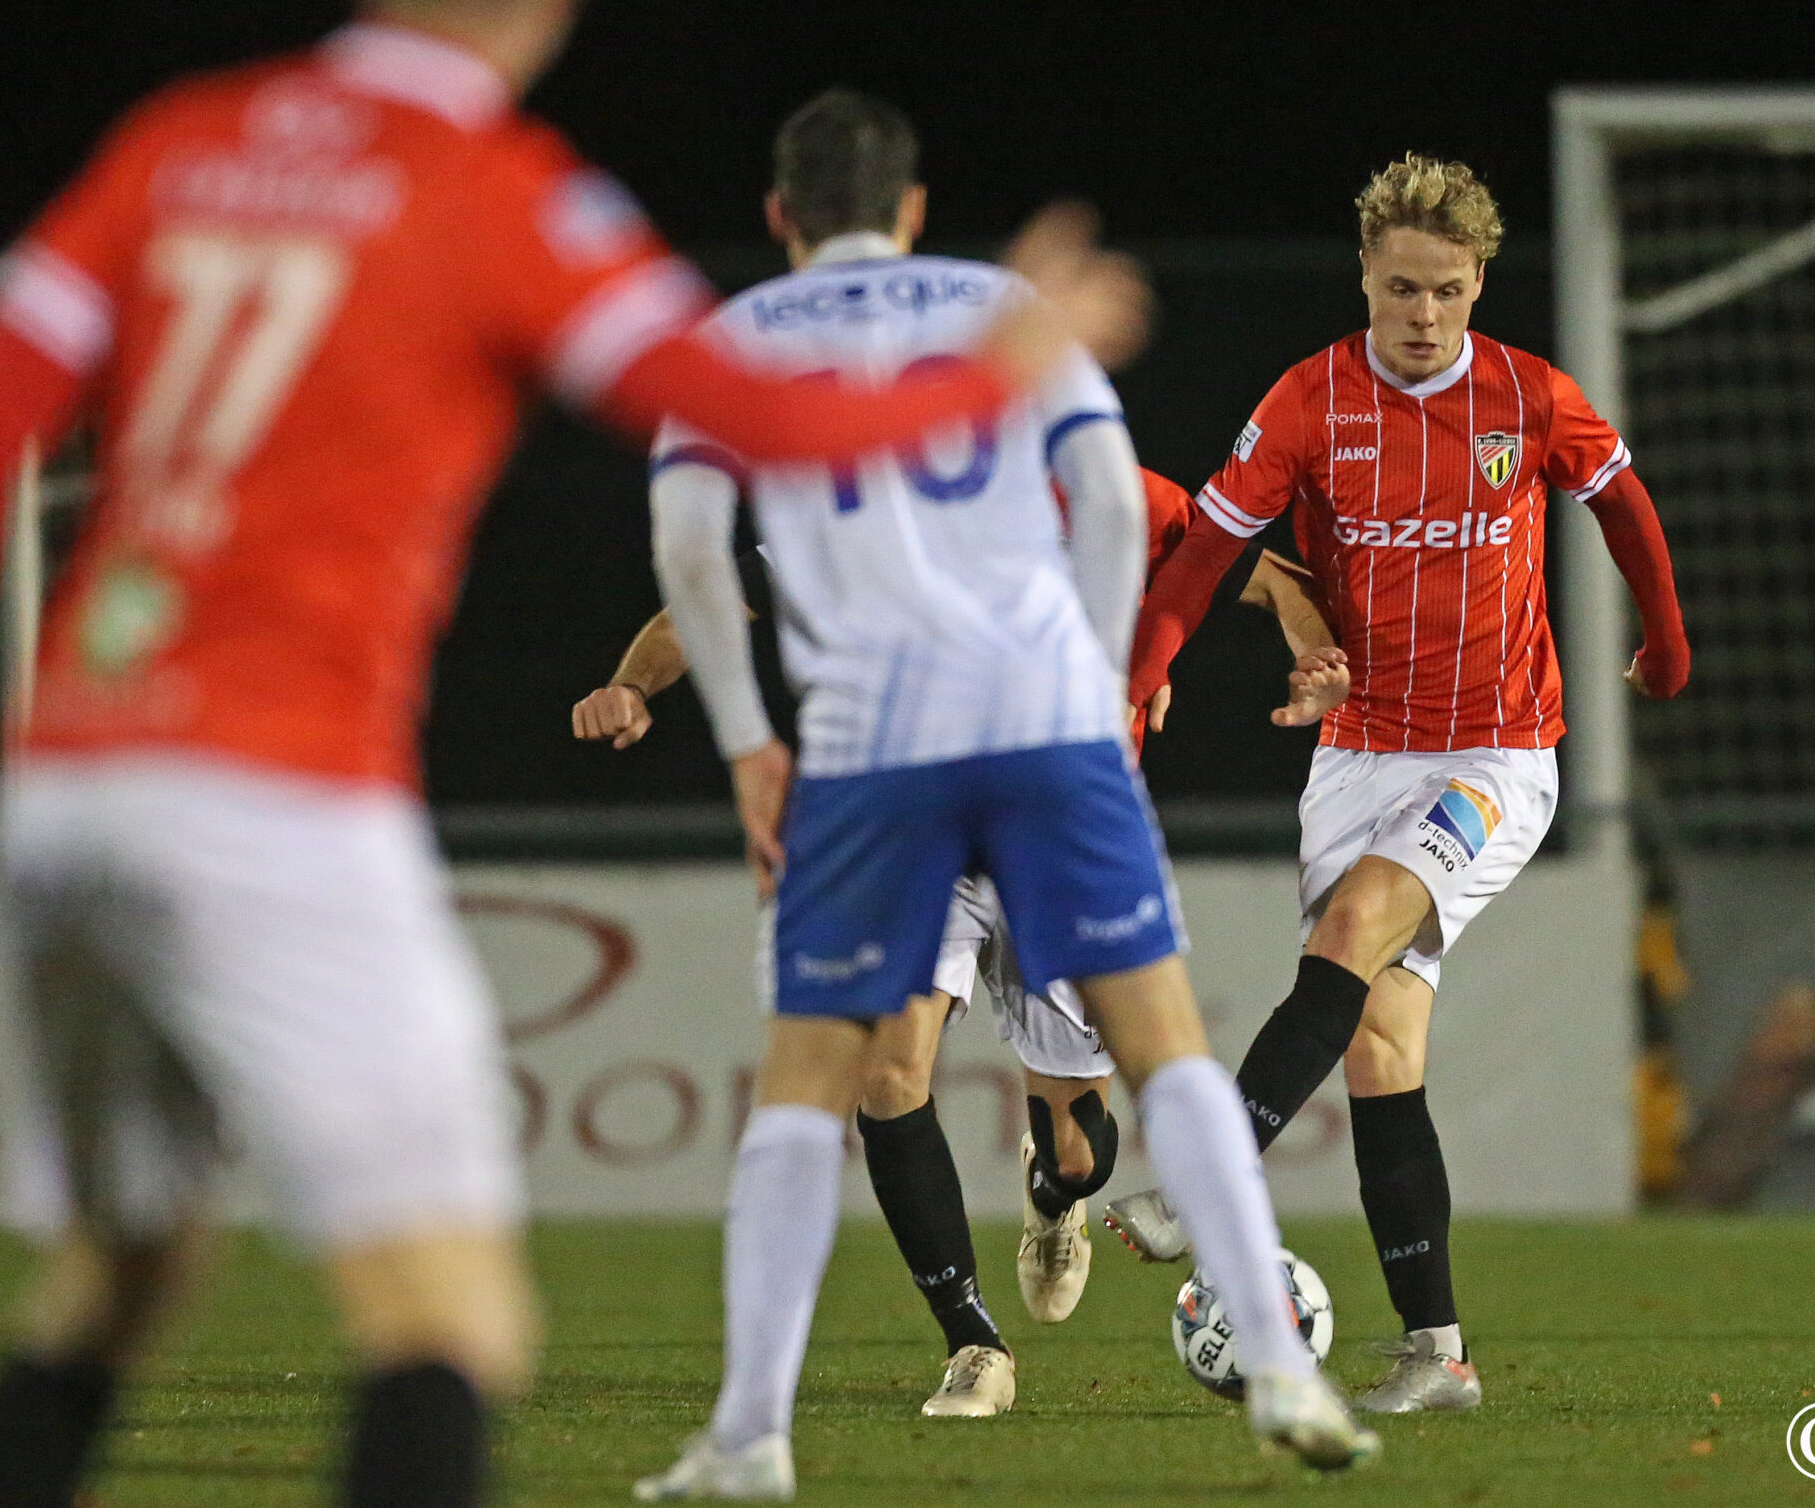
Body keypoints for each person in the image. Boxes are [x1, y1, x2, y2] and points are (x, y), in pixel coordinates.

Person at [0, 0, 1146, 1506]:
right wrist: (1004, 359)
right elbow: (766, 426)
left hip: (71, 790)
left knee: (116, 1276)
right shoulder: (497, 193)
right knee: (445, 1311)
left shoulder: (175, 144)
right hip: (280, 792)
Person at [628, 89, 1379, 1498]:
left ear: (782, 216)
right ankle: (1279, 1359)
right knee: (1163, 1043)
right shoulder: (1001, 304)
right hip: (1043, 727)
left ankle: (747, 1437)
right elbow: (1108, 498)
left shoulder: (732, 341)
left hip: (872, 746)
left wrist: (744, 737)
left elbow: (690, 551)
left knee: (809, 1086)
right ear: (913, 207)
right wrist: (1098, 680)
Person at [1106, 153, 1692, 1415]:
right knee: (1379, 1048)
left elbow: (1624, 501)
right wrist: (1142, 665)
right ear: (1364, 281)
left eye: (1445, 289)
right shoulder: (1311, 401)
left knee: (1352, 926)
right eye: (1398, 289)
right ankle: (1438, 1353)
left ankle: (1206, 1187)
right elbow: (1208, 548)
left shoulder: (1527, 396)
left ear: (1478, 283)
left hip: (1495, 752)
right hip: (1360, 754)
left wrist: (1665, 633)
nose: (1421, 314)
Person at [573, 470, 1346, 1420]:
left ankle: (1052, 1194)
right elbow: (720, 592)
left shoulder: (1123, 495)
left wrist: (1311, 653)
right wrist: (628, 682)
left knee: (1080, 1153)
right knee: (887, 1073)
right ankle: (974, 1343)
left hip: (1060, 838)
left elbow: (1259, 571)